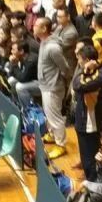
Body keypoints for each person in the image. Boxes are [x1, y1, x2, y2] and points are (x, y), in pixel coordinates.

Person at [34, 17, 70, 159]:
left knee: (55, 117)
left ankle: (61, 145)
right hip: (45, 85)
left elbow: (65, 68)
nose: (33, 27)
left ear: (44, 29)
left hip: (52, 87)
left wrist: (58, 80)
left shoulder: (52, 47)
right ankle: (52, 134)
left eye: (36, 25)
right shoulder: (43, 41)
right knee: (49, 114)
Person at [72, 45, 102, 182]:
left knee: (93, 156)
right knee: (85, 156)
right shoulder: (88, 71)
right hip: (82, 120)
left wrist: (85, 70)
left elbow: (78, 85)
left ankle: (95, 182)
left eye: (80, 59)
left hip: (93, 123)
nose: (78, 62)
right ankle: (90, 179)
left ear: (87, 60)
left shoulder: (100, 74)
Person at [5, 41, 40, 107]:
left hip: (41, 84)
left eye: (13, 50)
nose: (11, 52)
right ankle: (17, 103)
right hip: (30, 80)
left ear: (21, 51)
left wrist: (14, 64)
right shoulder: (21, 57)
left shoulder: (31, 60)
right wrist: (13, 63)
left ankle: (29, 109)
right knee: (11, 81)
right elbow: (12, 74)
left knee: (20, 87)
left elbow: (23, 79)